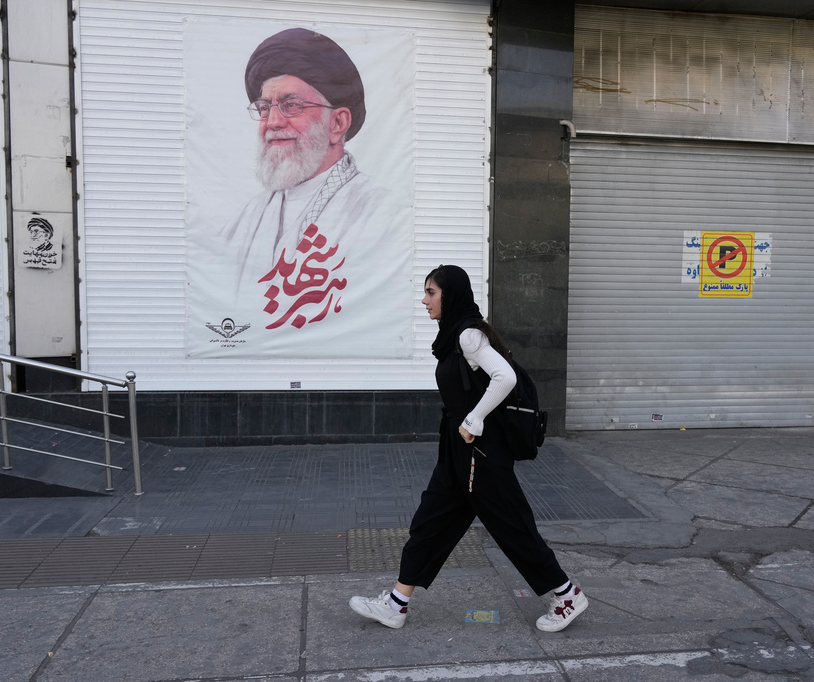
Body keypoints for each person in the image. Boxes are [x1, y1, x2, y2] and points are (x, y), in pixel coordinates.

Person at [349, 265, 589, 632]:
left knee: (511, 526)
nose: (425, 300)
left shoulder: (468, 336)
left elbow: (505, 377)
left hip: (481, 453)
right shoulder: (452, 335)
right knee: (430, 522)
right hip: (458, 451)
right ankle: (396, 604)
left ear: (451, 295)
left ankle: (567, 595)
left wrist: (474, 418)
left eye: (431, 292)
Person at [222, 27, 395, 299]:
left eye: (291, 105)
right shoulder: (248, 216)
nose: (273, 122)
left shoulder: (382, 213)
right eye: (265, 108)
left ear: (337, 123)